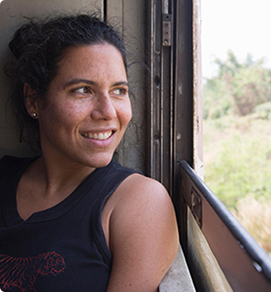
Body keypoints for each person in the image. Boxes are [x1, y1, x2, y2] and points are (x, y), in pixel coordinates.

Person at [0, 14, 179, 291]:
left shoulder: (138, 202)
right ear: (34, 99)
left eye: (119, 90)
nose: (108, 112)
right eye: (83, 90)